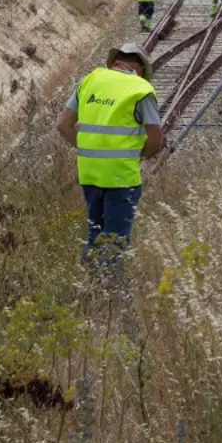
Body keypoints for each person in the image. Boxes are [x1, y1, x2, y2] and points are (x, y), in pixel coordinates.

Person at [55, 43, 163, 275]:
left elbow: (63, 124)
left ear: (115, 62)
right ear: (140, 69)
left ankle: (89, 287)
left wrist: (86, 149)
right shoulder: (141, 89)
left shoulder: (90, 80)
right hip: (121, 177)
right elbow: (156, 139)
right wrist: (140, 154)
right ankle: (111, 296)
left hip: (90, 173)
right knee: (115, 240)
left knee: (95, 233)